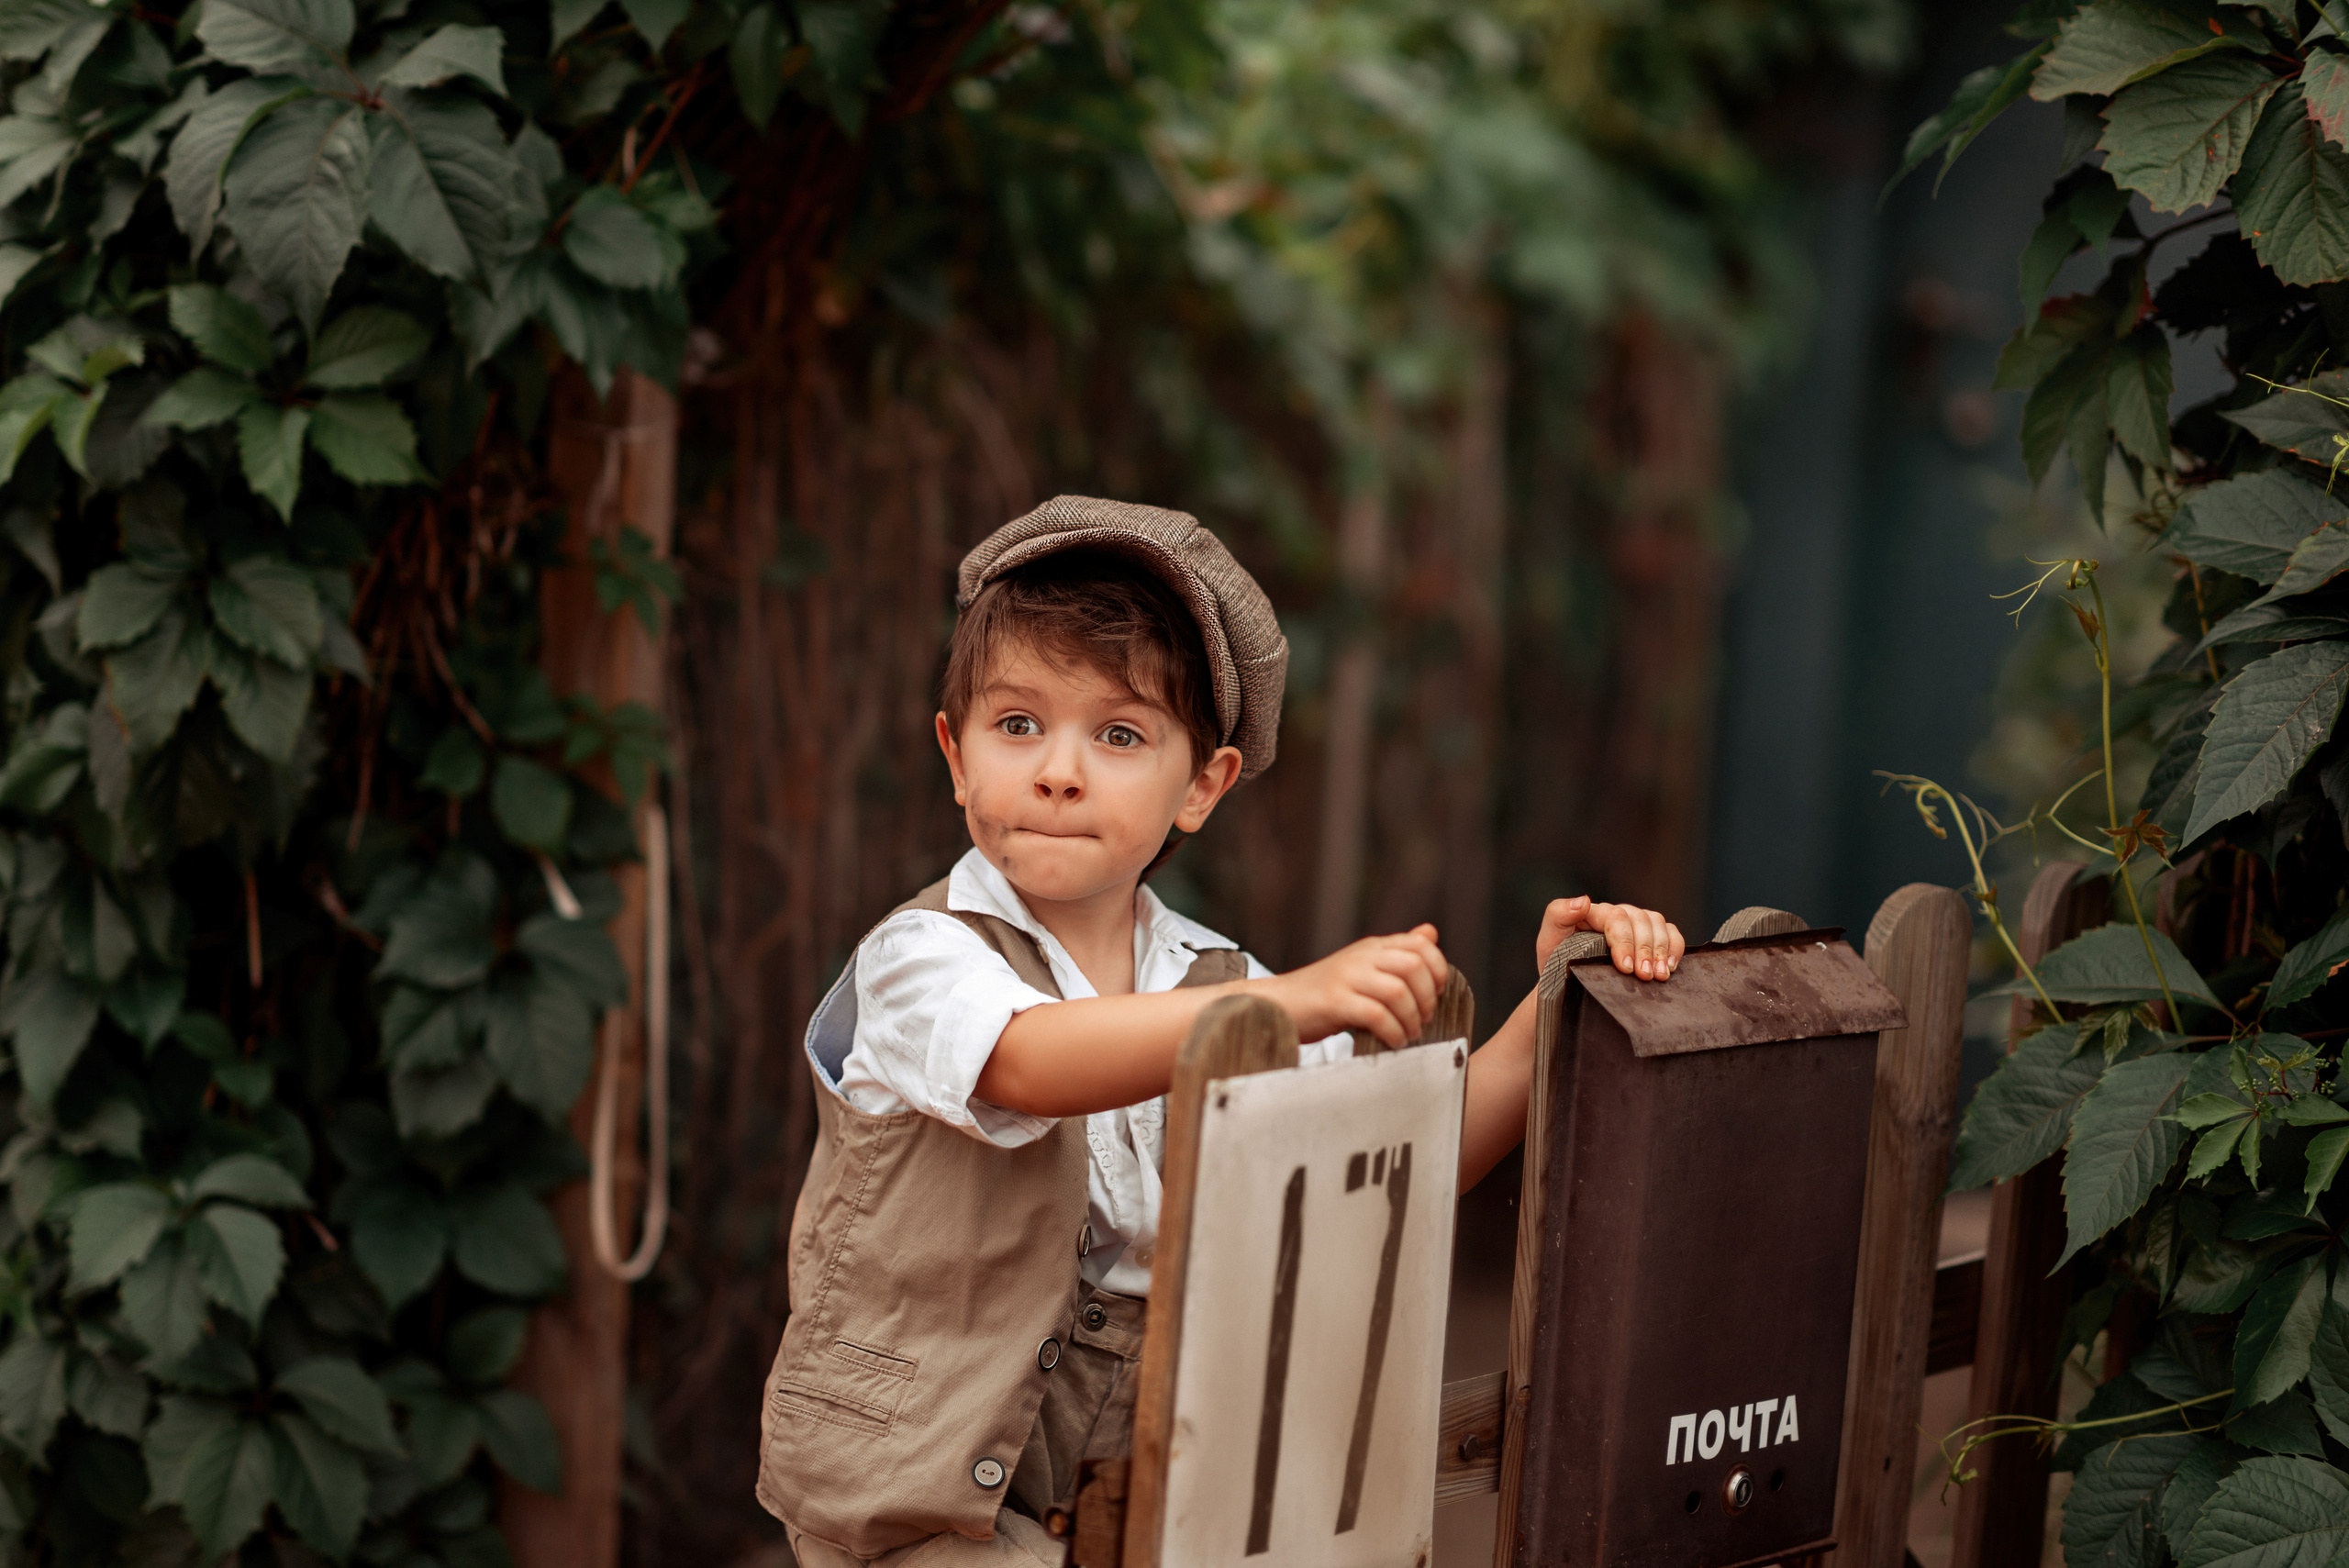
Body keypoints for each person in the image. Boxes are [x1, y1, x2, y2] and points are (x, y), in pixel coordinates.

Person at [756, 496, 1685, 1566]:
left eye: (1117, 733)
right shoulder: (922, 953)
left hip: (1140, 1473)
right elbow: (1025, 1058)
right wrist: (1286, 1005)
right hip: (913, 1477)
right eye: (1018, 725)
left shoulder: (1216, 977)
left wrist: (1553, 1003)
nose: (1058, 769)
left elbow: (1403, 1163)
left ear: (1202, 784)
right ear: (956, 754)